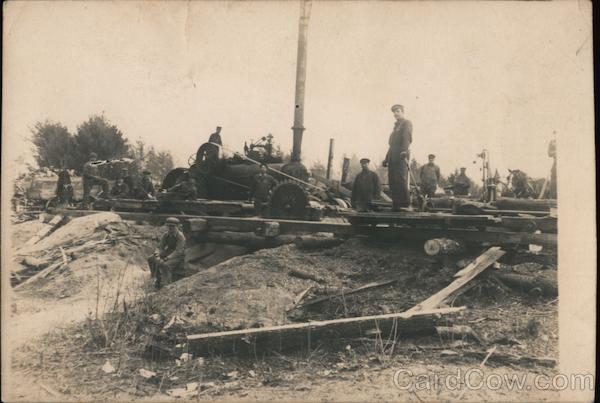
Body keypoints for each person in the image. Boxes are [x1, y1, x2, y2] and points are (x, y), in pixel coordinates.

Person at [383, 104, 412, 210]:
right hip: (392, 157)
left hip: (400, 157)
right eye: (394, 112)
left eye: (398, 111)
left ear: (402, 112)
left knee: (400, 179)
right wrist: (386, 158)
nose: (395, 114)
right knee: (392, 181)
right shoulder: (395, 127)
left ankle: (405, 204)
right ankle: (396, 204)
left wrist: (404, 151)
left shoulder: (406, 123)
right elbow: (391, 145)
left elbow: (406, 138)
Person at [147, 217, 186, 289]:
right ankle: (155, 277)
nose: (170, 228)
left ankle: (166, 284)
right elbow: (160, 247)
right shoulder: (165, 235)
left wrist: (167, 258)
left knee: (165, 265)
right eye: (169, 226)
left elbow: (178, 251)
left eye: (173, 226)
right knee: (151, 259)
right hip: (168, 252)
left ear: (177, 227)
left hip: (178, 256)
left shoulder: (180, 237)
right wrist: (157, 254)